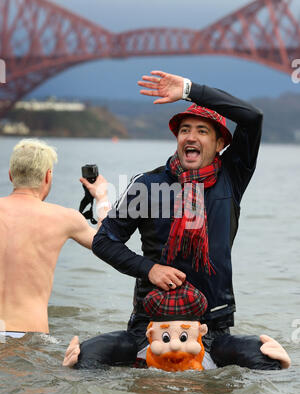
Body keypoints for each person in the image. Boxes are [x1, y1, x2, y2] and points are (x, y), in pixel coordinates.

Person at [62, 70, 291, 371]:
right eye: (185, 130)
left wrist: (188, 89)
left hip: (211, 328)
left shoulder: (232, 178)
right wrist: (150, 269)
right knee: (81, 362)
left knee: (271, 361)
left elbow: (253, 117)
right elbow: (104, 241)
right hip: (150, 326)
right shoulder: (147, 185)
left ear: (220, 142)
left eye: (202, 130)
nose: (191, 136)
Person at [0, 138, 110, 337]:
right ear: (48, 176)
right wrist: (101, 198)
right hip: (28, 336)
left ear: (10, 175)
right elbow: (107, 244)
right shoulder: (64, 217)